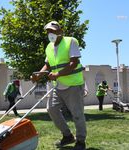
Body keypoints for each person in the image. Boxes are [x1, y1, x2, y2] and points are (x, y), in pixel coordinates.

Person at [31, 21, 86, 150]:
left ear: (60, 31)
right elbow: (48, 64)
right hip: (58, 86)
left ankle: (81, 141)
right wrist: (38, 75)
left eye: (53, 31)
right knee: (51, 109)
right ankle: (67, 136)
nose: (51, 33)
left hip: (73, 84)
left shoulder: (71, 41)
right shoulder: (49, 47)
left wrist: (58, 74)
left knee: (77, 114)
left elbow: (74, 62)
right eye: (48, 31)